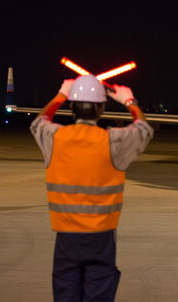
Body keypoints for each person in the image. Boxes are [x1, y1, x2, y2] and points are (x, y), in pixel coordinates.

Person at [30, 75, 153, 301]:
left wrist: (61, 94)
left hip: (66, 239)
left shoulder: (55, 138)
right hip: (101, 238)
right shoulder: (113, 141)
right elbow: (144, 129)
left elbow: (38, 122)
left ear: (72, 107)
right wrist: (130, 102)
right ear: (101, 109)